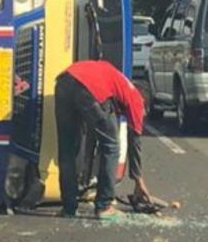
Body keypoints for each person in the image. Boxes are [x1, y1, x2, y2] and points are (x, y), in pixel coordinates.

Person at [55, 59, 150, 219]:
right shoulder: (136, 98)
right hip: (89, 87)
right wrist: (138, 180)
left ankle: (68, 207)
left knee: (67, 149)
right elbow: (135, 140)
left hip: (64, 81)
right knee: (111, 147)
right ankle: (104, 206)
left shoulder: (117, 82)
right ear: (145, 101)